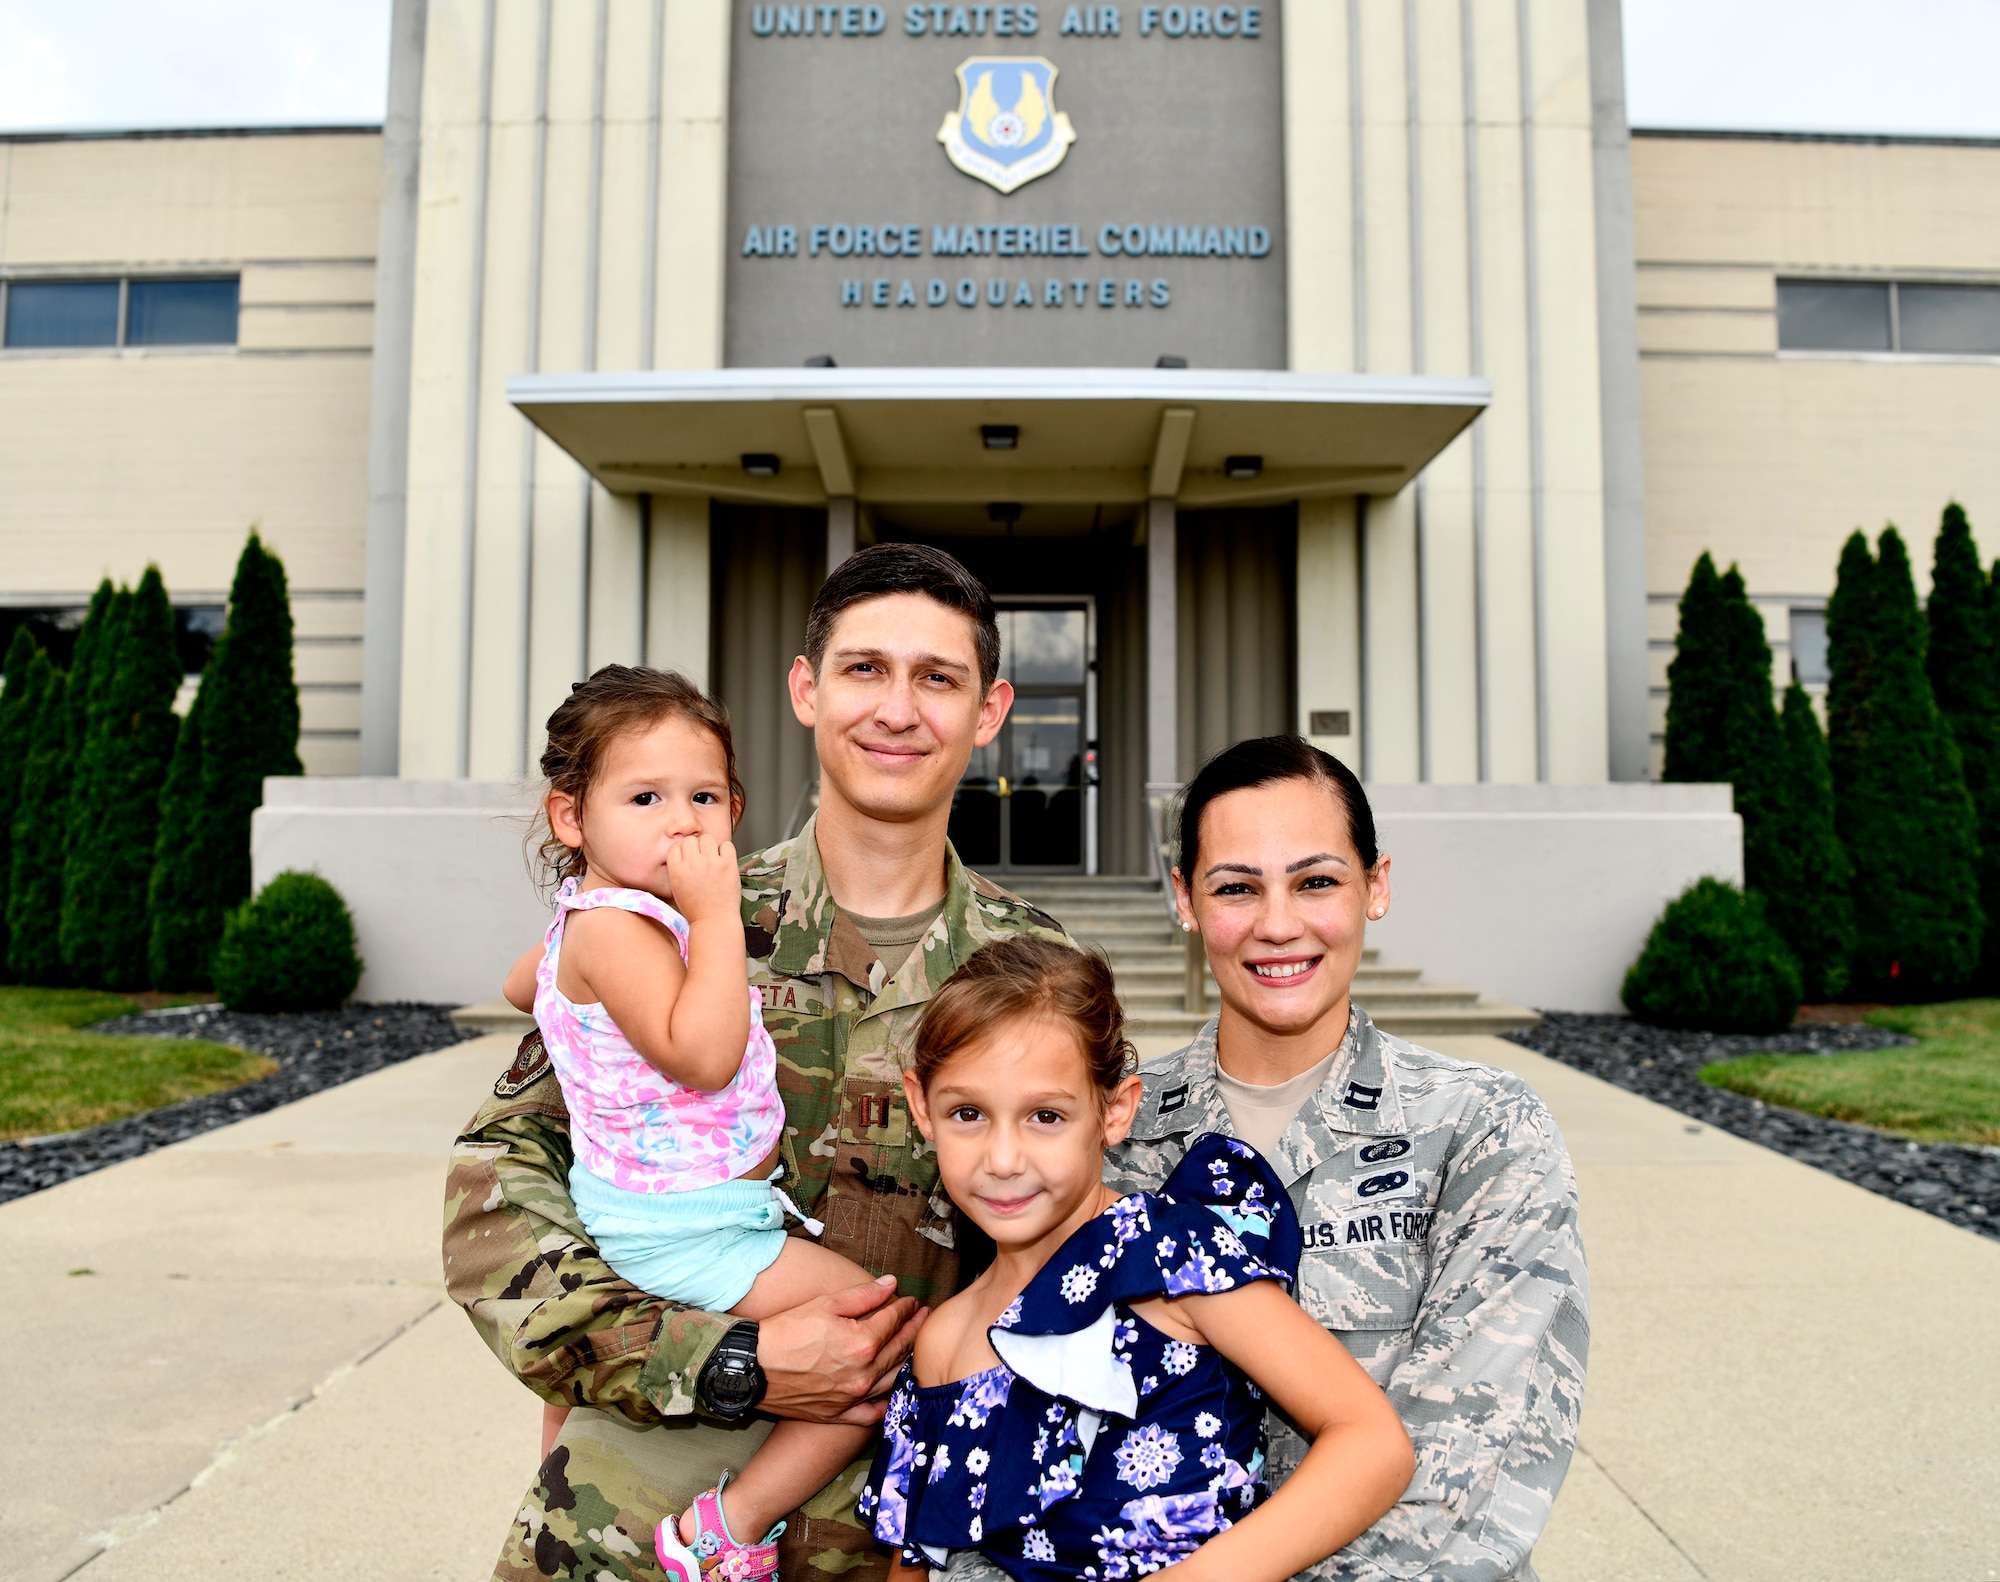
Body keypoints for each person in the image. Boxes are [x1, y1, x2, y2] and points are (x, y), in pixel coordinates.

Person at [444, 544, 1070, 1582]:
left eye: (938, 677)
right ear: (805, 688)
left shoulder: (1040, 973)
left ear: (989, 709)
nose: (897, 709)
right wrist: (730, 1363)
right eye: (864, 668)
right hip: (639, 1523)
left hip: (909, 1545)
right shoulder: (669, 922)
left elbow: (1080, 1262)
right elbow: (499, 1214)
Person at [1106, 736, 1589, 1581]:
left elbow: (1465, 1475)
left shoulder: (1480, 1132)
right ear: (1186, 899)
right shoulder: (1107, 1138)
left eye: (1317, 880)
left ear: (1377, 885)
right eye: (1237, 888)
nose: (1279, 923)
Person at [858, 936, 1415, 1582]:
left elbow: (1372, 1443)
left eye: (1045, 1116)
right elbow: (917, 1561)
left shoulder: (1174, 1259)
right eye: (968, 1113)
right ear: (921, 1108)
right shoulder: (946, 1340)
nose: (1003, 1158)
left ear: (1114, 1110)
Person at [496, 666, 883, 1582]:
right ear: (570, 818)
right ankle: (724, 1531)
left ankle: (558, 1481)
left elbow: (521, 987)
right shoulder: (626, 929)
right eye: (645, 796)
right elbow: (702, 1056)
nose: (682, 820)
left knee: (583, 1397)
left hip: (645, 1210)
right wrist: (713, 915)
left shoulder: (584, 923)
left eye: (704, 795)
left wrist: (568, 987)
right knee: (877, 1342)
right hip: (693, 1228)